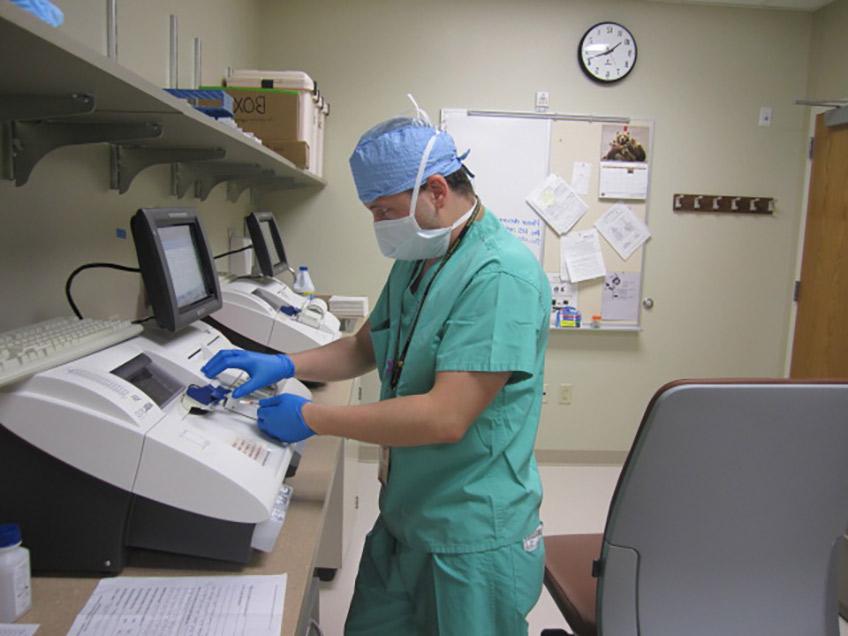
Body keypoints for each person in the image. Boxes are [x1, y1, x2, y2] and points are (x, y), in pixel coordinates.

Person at [201, 100, 551, 635]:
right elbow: (365, 347)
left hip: (470, 532)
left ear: (436, 191)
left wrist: (313, 418)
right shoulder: (424, 257)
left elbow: (445, 417)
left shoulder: (501, 275)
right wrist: (280, 362)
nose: (379, 225)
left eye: (384, 210)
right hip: (407, 514)